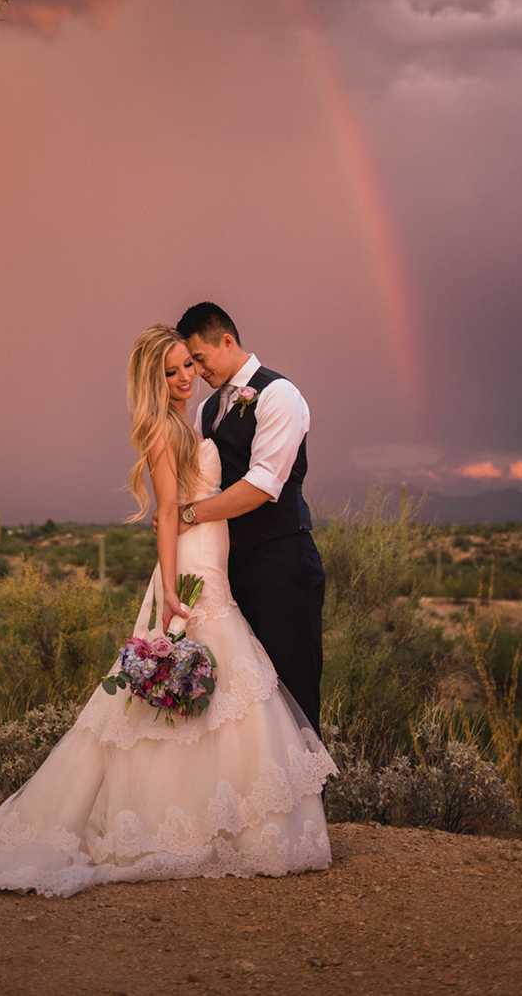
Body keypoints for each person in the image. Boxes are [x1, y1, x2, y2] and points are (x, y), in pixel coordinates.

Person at [0, 325, 336, 896]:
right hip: (190, 566)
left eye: (189, 364)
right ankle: (181, 823)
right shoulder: (165, 431)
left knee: (232, 690)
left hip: (218, 562)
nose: (186, 377)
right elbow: (167, 514)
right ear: (152, 381)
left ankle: (225, 822)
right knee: (204, 682)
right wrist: (169, 589)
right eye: (172, 371)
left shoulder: (204, 415)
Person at [172, 301, 330, 738]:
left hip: (283, 564)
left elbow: (263, 485)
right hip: (229, 571)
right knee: (246, 701)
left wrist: (189, 514)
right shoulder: (207, 410)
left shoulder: (280, 394)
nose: (197, 371)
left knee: (293, 692)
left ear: (227, 341)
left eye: (199, 359)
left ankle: (308, 807)